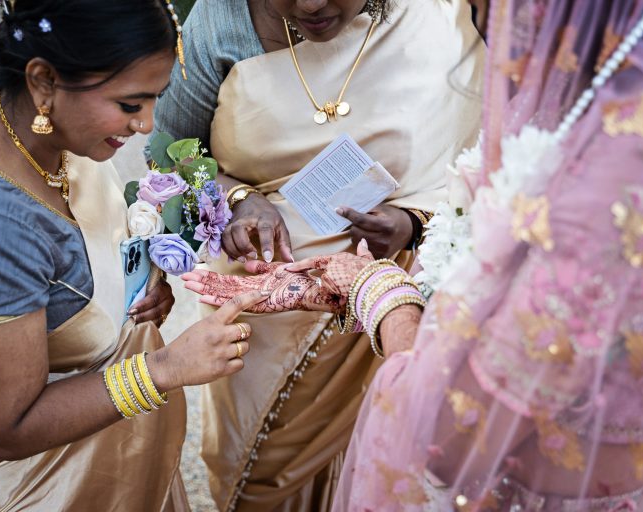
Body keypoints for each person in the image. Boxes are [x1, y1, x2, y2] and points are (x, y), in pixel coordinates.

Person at [183, 0, 643, 509]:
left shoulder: (589, 204)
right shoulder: (607, 135)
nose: (497, 25)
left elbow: (445, 424)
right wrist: (238, 196)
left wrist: (373, 284)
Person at [0, 1, 263, 510]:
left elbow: (66, 274)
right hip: (27, 485)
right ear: (44, 80)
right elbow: (6, 428)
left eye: (154, 100)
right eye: (131, 104)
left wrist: (131, 286)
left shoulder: (38, 128)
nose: (147, 125)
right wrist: (162, 368)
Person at [150, 0, 484, 509]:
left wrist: (413, 223)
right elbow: (169, 153)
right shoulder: (220, 23)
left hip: (400, 293)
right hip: (262, 299)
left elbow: (476, 160)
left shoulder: (438, 15)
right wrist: (240, 197)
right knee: (259, 476)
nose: (310, 5)